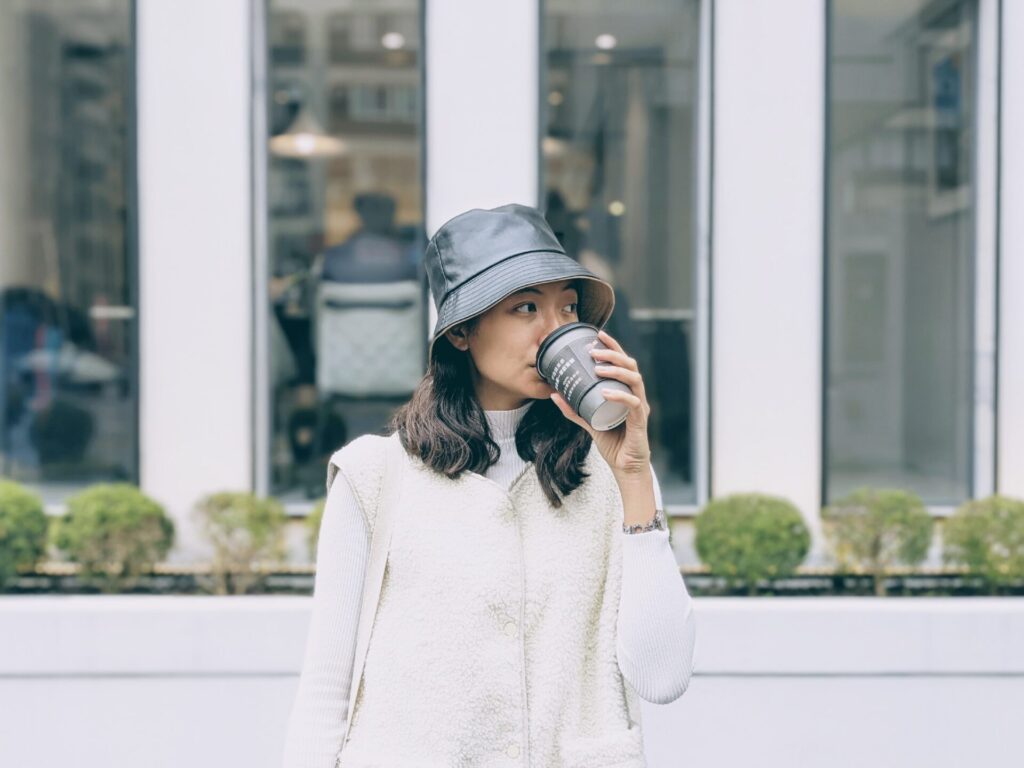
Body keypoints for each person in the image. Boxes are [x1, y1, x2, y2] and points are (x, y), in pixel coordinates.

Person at [281, 203, 696, 767]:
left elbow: (662, 675)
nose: (557, 329)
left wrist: (634, 479)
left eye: (569, 307)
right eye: (526, 307)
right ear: (461, 332)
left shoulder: (612, 474)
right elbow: (326, 691)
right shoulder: (376, 478)